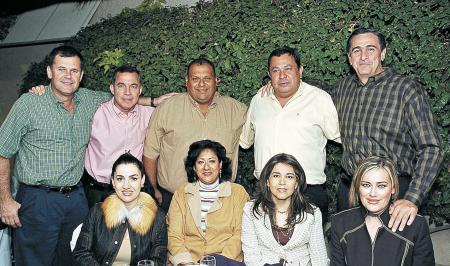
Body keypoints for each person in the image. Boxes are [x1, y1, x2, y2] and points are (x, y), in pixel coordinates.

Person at [0, 45, 166, 266]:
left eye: (74, 71)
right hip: (39, 200)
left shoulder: (87, 100)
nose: (68, 76)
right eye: (62, 69)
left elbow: (122, 96)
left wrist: (152, 101)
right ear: (49, 72)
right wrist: (5, 201)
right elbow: (2, 151)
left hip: (76, 199)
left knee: (75, 257)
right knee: (34, 261)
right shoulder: (29, 104)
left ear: (81, 75)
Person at [333, 28, 443, 232]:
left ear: (383, 53)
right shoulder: (342, 89)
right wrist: (275, 86)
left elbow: (431, 148)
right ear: (349, 58)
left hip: (393, 195)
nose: (364, 56)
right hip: (350, 193)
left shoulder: (405, 89)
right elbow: (312, 93)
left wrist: (412, 198)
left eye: (371, 49)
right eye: (356, 50)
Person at [240, 46, 340, 219]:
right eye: (275, 70)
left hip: (307, 192)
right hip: (265, 192)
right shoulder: (258, 100)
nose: (282, 75)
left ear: (300, 70)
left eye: (288, 69)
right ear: (269, 75)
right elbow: (245, 141)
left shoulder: (319, 99)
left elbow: (341, 136)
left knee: (310, 245)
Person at [143, 58, 247, 212]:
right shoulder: (167, 108)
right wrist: (153, 189)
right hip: (173, 200)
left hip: (221, 202)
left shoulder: (237, 110)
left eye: (207, 78)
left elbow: (263, 121)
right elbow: (150, 152)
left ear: (216, 80)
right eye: (195, 79)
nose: (201, 84)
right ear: (187, 81)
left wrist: (271, 91)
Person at [82, 65, 176, 208]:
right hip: (99, 192)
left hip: (136, 192)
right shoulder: (95, 113)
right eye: (121, 86)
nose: (127, 92)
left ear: (140, 90)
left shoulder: (150, 115)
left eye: (133, 86)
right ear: (112, 89)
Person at [330, 155, 435, 266]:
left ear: (393, 188)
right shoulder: (340, 222)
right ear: (357, 187)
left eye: (381, 186)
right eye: (366, 185)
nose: (373, 193)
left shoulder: (415, 224)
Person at [73, 152, 167, 265]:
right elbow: (81, 253)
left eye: (133, 178)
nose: (126, 186)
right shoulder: (97, 212)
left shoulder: (157, 217)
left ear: (142, 181)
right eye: (120, 179)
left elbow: (159, 259)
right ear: (113, 181)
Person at [167, 140, 249, 265]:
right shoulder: (181, 194)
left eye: (212, 161)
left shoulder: (238, 193)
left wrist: (220, 262)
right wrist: (187, 263)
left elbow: (240, 234)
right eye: (200, 162)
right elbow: (174, 236)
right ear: (194, 167)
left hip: (226, 261)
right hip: (188, 262)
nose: (206, 167)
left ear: (220, 164)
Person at [242, 153, 328, 266]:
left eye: (289, 177)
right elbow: (251, 258)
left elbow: (319, 258)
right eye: (276, 176)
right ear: (267, 181)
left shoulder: (312, 213)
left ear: (296, 183)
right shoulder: (251, 211)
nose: (282, 182)